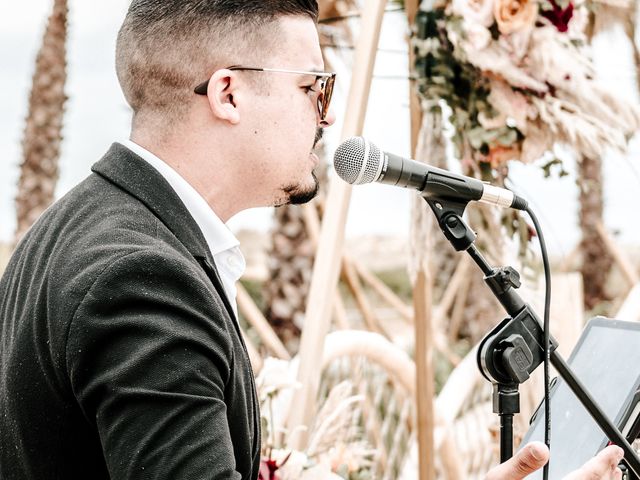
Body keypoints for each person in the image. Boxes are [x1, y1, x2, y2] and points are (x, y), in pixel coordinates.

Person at [0, 1, 626, 479]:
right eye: (314, 88)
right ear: (229, 92)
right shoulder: (141, 279)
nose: (327, 118)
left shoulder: (73, 227)